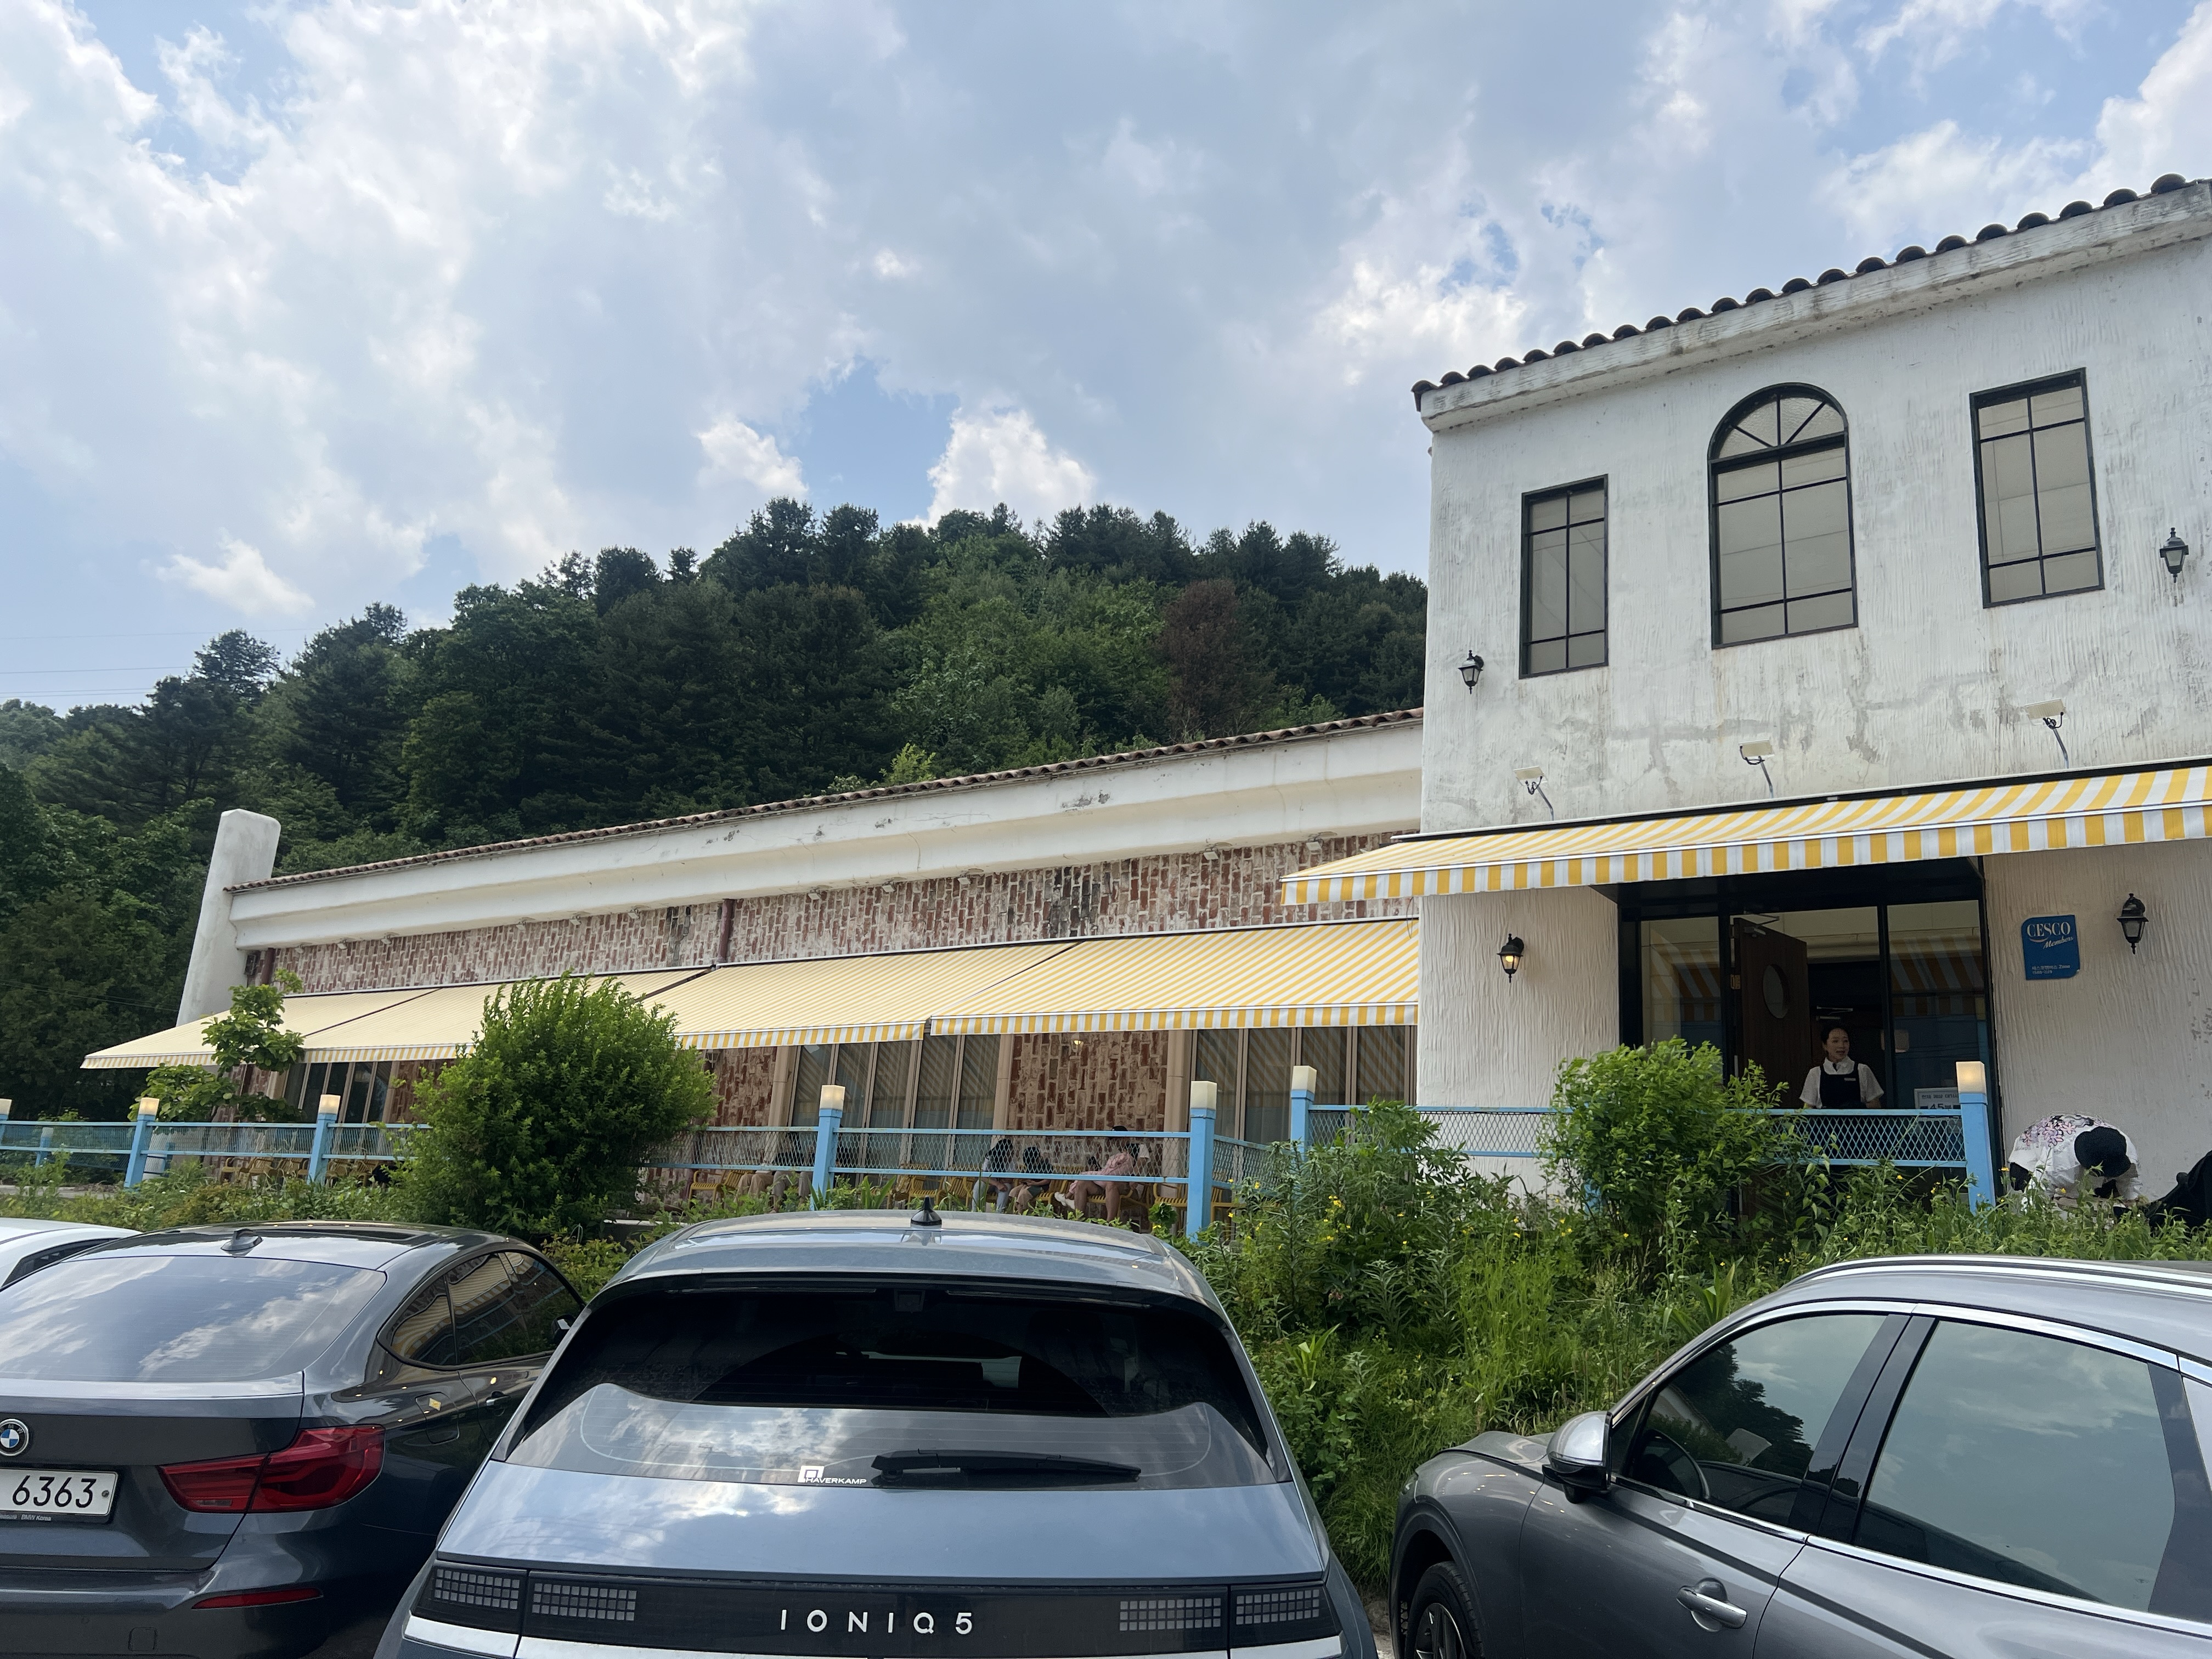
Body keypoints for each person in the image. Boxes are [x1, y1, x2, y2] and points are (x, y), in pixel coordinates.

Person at [2008, 1114, 2140, 1207]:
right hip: (2031, 1145)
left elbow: (2130, 1181)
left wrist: (2132, 1205)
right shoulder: (2059, 1165)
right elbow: (2033, 1199)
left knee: (2104, 1192)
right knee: (2022, 1182)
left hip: (2073, 1134)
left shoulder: (2126, 1149)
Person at [1801, 1023, 1884, 1108]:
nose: (1841, 1046)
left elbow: (1876, 1105)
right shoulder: (1815, 1073)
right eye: (1835, 1041)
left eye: (1845, 1041)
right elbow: (1808, 1107)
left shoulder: (1863, 1070)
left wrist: (1858, 1107)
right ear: (1825, 1046)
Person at [975, 1136, 1017, 1212]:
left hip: (997, 1183)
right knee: (980, 1184)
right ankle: (976, 1211)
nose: (1010, 1156)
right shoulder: (990, 1158)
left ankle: (999, 1213)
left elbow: (1010, 1179)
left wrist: (996, 1180)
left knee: (1007, 1187)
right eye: (1008, 1154)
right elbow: (982, 1177)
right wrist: (997, 1183)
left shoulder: (1012, 1161)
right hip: (990, 1184)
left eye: (1012, 1153)